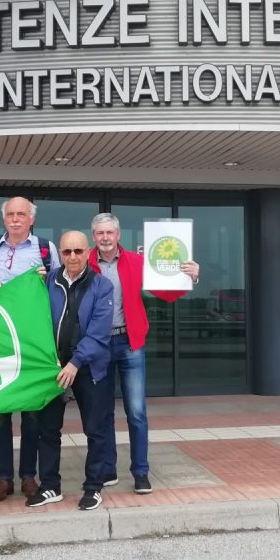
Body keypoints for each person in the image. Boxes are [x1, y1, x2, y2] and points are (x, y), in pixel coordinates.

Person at [89, 213, 199, 495]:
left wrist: (190, 277)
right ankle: (107, 468)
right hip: (98, 346)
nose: (105, 238)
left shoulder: (136, 261)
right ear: (94, 236)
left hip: (130, 343)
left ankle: (140, 472)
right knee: (101, 414)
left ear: (118, 234)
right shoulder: (85, 262)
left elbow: (165, 291)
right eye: (100, 233)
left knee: (136, 412)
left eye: (109, 233)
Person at [30, 230, 114, 511]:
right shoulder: (47, 281)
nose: (73, 257)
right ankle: (50, 486)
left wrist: (75, 363)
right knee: (47, 430)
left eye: (78, 251)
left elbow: (100, 332)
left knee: (96, 429)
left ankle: (93, 487)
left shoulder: (102, 285)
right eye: (67, 252)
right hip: (52, 368)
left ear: (87, 251)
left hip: (89, 368)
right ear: (61, 254)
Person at [0, 196, 58, 503]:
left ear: (31, 219)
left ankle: (28, 475)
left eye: (21, 214)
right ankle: (4, 478)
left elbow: (59, 287)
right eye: (10, 214)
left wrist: (48, 278)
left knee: (31, 415)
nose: (15, 219)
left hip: (33, 342)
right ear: (5, 219)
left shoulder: (45, 248)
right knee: (0, 415)